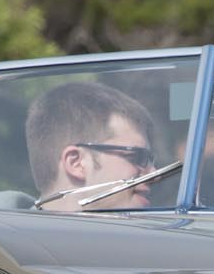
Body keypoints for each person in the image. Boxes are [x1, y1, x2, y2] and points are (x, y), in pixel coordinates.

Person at [28, 80, 161, 211]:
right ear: (76, 163)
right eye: (137, 158)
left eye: (150, 160)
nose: (154, 174)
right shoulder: (12, 232)